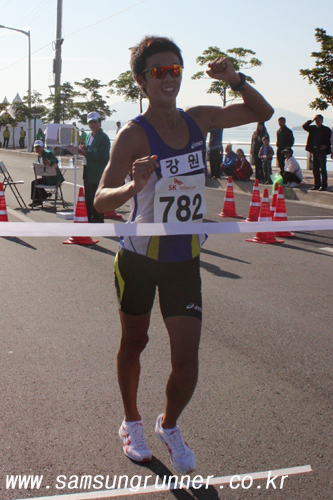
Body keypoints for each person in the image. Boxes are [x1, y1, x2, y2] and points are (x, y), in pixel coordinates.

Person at [94, 35, 273, 473]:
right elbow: (101, 201)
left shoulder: (198, 120)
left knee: (187, 361)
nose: (168, 78)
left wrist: (236, 78)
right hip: (138, 256)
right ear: (141, 80)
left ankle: (168, 425)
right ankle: (131, 422)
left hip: (184, 257)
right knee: (135, 342)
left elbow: (261, 113)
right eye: (159, 72)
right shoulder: (133, 135)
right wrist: (132, 187)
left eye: (175, 70)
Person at [77, 111, 110, 223]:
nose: (92, 124)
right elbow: (88, 150)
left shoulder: (104, 138)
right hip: (87, 170)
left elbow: (102, 156)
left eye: (94, 122)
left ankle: (98, 221)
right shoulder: (88, 136)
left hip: (97, 173)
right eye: (90, 122)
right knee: (88, 197)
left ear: (100, 122)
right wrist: (82, 148)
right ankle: (89, 220)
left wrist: (85, 153)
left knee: (96, 198)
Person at [30, 140, 64, 207]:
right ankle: (41, 197)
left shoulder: (48, 153)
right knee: (35, 182)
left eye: (39, 147)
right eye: (36, 147)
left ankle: (39, 199)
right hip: (46, 177)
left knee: (34, 183)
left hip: (53, 179)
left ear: (43, 147)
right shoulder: (39, 156)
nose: (37, 149)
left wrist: (49, 162)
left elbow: (55, 160)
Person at [302, 115, 331, 191]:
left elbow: (330, 140)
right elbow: (304, 126)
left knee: (323, 169)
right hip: (314, 150)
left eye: (319, 119)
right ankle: (317, 185)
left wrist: (326, 146)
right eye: (316, 120)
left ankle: (324, 185)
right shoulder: (313, 128)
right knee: (315, 169)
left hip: (322, 151)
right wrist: (311, 120)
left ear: (322, 120)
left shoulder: (326, 129)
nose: (317, 121)